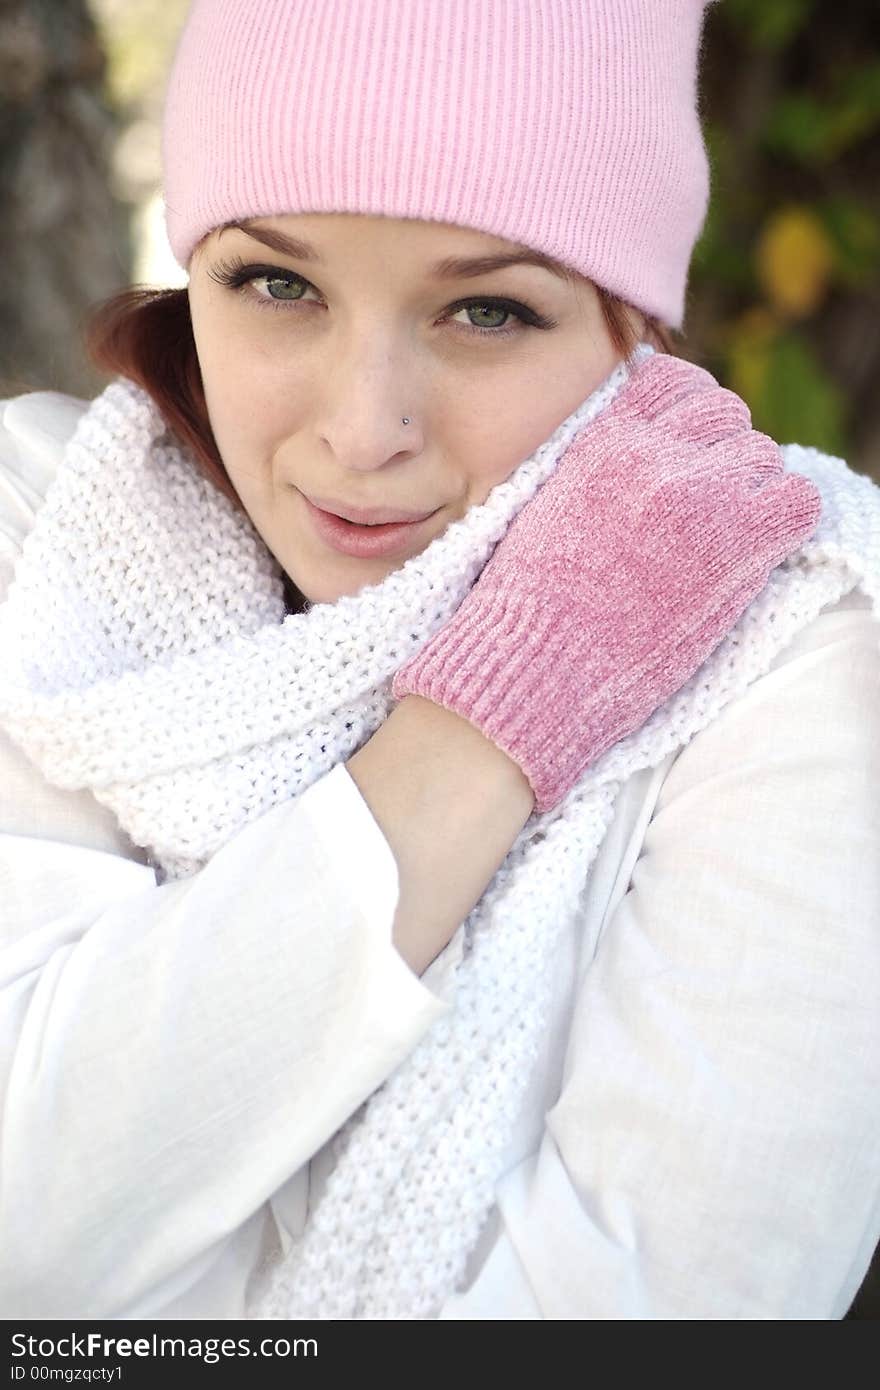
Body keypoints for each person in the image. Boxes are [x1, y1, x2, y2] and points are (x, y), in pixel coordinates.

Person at [1, 0, 878, 1322]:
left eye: (485, 308)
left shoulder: (798, 620)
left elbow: (677, 1302)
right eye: (277, 284)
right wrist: (483, 734)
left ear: (633, 334)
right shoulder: (42, 520)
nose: (364, 431)